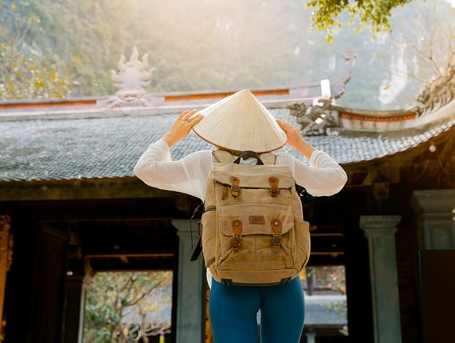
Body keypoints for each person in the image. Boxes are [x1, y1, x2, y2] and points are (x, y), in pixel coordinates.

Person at [134, 89, 347, 343]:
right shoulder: (284, 164)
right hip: (284, 277)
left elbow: (145, 170)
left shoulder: (206, 163)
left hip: (228, 281)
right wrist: (301, 145)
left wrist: (171, 137)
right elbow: (336, 179)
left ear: (220, 131)